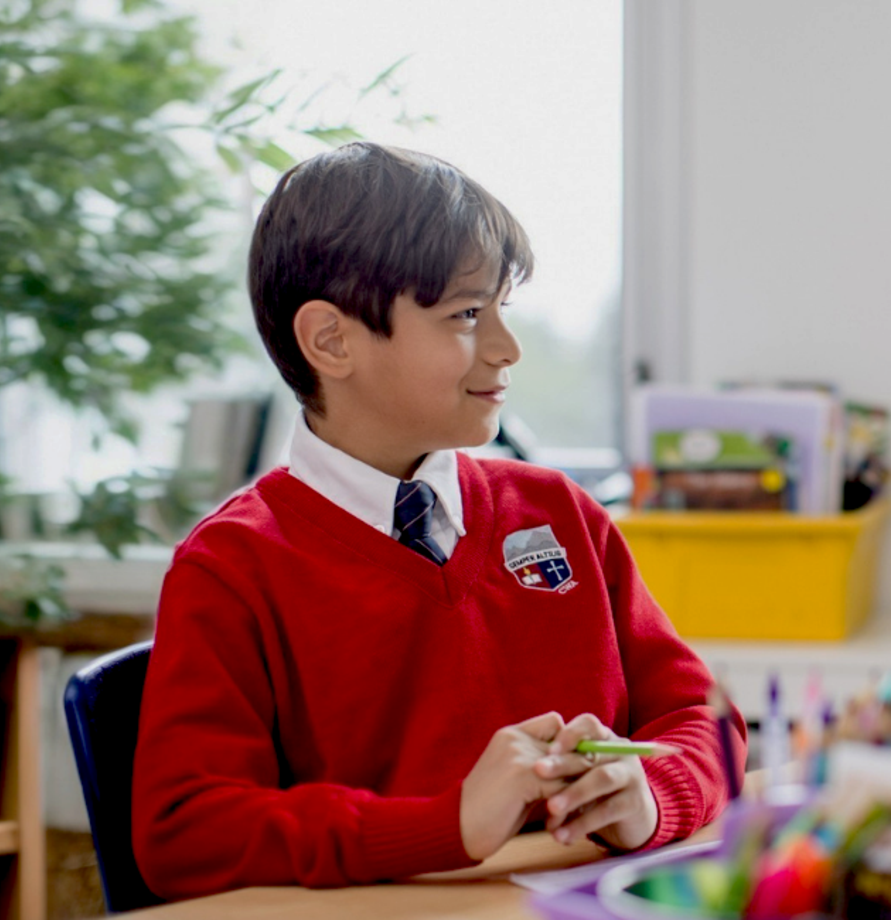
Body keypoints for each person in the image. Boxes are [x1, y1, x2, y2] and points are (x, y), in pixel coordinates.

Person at [131, 142, 745, 900]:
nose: (506, 348)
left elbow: (701, 720)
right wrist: (446, 823)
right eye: (465, 315)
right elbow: (185, 834)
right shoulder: (232, 568)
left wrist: (649, 795)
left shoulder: (562, 515)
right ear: (331, 340)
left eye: (501, 310)